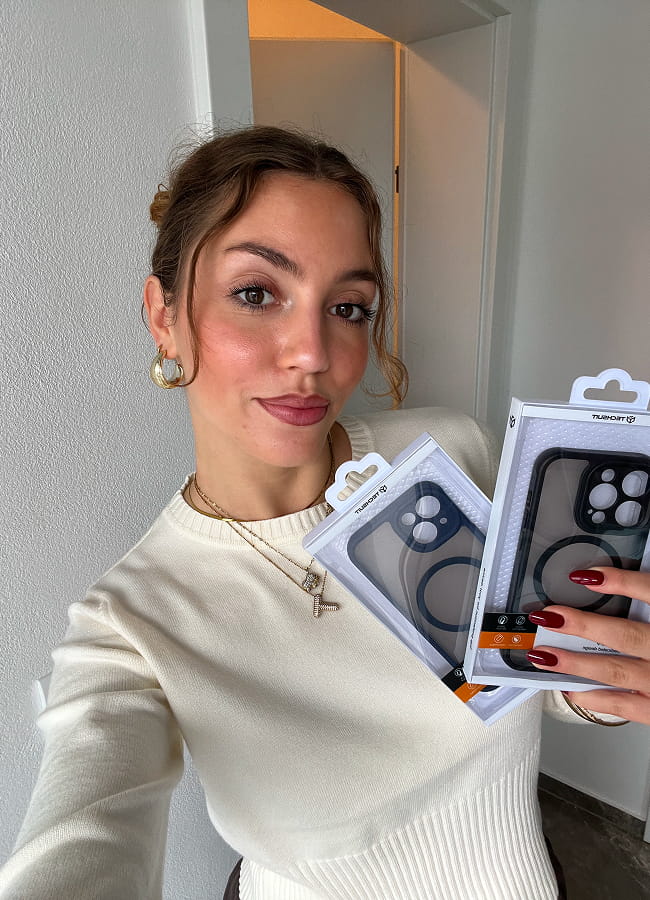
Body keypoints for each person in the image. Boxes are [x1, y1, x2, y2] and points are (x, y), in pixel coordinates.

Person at [0, 125, 648, 900]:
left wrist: (600, 679)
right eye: (256, 293)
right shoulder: (131, 625)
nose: (312, 351)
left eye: (347, 306)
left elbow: (524, 673)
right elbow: (80, 839)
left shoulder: (453, 451)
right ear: (164, 316)